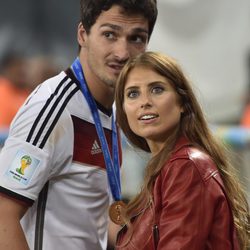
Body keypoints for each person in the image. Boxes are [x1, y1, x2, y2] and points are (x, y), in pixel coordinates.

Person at [0, 1, 158, 250]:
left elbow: (89, 214)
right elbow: (2, 216)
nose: (122, 53)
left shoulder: (113, 111)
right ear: (83, 34)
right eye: (110, 34)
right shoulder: (52, 107)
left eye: (136, 38)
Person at [114, 51, 250, 249]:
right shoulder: (166, 169)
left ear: (182, 103)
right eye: (133, 93)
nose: (145, 102)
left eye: (157, 89)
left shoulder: (187, 167)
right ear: (124, 110)